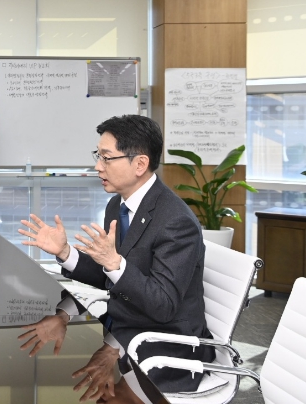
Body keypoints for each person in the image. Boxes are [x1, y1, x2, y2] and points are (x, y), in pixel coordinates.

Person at [19, 114, 213, 396]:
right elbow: (109, 276)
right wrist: (65, 252)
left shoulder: (176, 221)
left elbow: (163, 305)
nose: (98, 166)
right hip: (125, 333)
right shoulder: (117, 206)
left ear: (140, 164)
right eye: (98, 156)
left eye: (107, 158)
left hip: (165, 350)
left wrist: (114, 263)